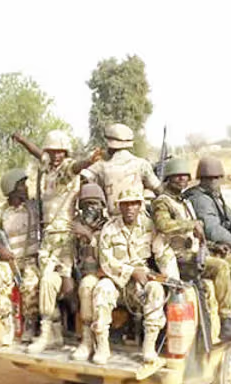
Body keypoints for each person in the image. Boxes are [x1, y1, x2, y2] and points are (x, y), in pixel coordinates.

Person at [12, 130, 101, 353]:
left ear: (66, 153)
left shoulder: (66, 170)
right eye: (53, 152)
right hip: (48, 236)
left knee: (68, 284)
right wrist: (22, 140)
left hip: (65, 234)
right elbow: (38, 153)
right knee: (47, 282)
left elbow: (76, 166)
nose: (56, 156)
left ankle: (81, 329)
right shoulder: (47, 166)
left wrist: (89, 160)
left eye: (60, 152)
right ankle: (51, 331)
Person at [92, 187, 167, 364]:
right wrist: (131, 272)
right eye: (125, 204)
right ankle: (102, 346)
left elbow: (161, 251)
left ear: (140, 205)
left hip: (142, 282)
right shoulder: (109, 228)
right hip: (117, 281)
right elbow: (106, 261)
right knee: (102, 289)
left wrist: (166, 274)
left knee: (156, 289)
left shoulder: (150, 225)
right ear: (119, 207)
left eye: (134, 203)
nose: (129, 208)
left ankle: (149, 347)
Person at [0, 168, 41, 345]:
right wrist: (1, 250)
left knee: (31, 283)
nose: (26, 188)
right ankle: (8, 325)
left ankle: (30, 325)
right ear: (12, 189)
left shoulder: (34, 208)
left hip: (30, 259)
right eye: (22, 185)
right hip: (10, 261)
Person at [184, 157, 231, 338]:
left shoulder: (213, 195)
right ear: (204, 179)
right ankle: (227, 321)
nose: (215, 181)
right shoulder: (201, 199)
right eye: (212, 178)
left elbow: (227, 218)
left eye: (217, 178)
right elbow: (213, 230)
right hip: (204, 248)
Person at [80, 123, 163, 216]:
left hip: (111, 219)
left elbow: (83, 179)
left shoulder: (100, 166)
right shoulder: (142, 164)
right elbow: (159, 189)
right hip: (138, 219)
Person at [68, 183, 110, 361]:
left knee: (95, 288)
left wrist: (90, 237)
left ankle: (101, 344)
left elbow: (109, 257)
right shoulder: (75, 228)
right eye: (85, 205)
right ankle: (86, 341)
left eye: (94, 204)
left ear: (102, 206)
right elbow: (68, 254)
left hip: (107, 275)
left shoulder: (109, 226)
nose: (90, 209)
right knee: (85, 286)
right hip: (84, 275)